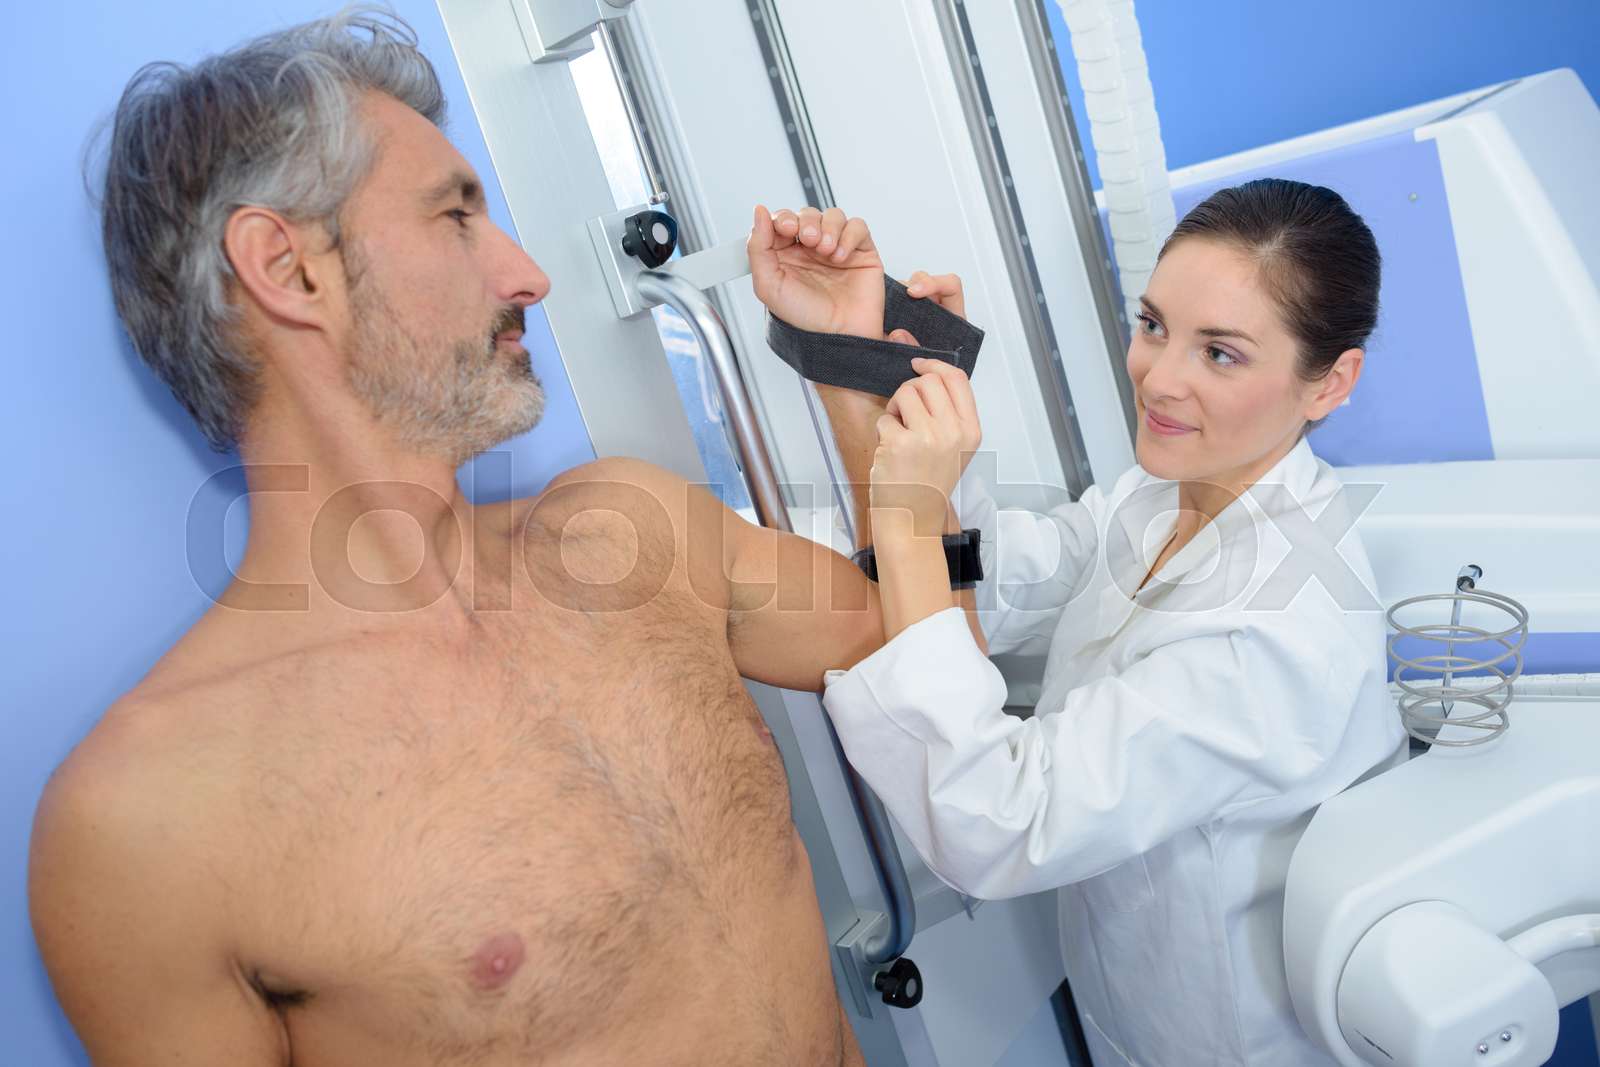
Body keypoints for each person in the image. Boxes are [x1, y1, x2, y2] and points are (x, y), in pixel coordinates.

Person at [27, 12, 967, 1065]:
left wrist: (860, 373)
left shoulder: (631, 529)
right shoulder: (142, 821)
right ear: (287, 271)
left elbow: (930, 649)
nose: (528, 274)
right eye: (455, 215)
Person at [749, 182, 1408, 1065]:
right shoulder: (1165, 492)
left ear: (1331, 381)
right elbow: (985, 591)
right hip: (1138, 1009)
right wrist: (857, 354)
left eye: (1221, 353)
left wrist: (911, 513)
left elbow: (999, 824)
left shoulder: (1275, 634)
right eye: (1154, 324)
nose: (1159, 377)